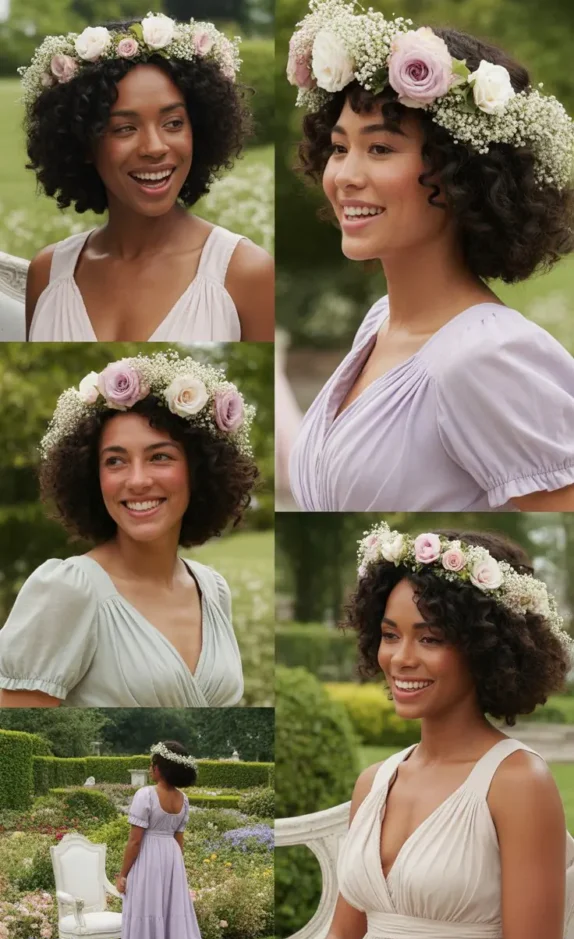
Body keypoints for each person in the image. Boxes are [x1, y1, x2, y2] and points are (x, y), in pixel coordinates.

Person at [287, 0, 574, 512]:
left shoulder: (487, 358)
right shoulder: (381, 324)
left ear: (461, 173)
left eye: (380, 149)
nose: (346, 176)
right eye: (338, 148)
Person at [286, 522, 574, 939]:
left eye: (431, 637)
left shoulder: (517, 783)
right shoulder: (374, 782)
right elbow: (342, 936)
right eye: (390, 635)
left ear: (485, 647)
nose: (401, 658)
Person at [0, 352, 257, 707]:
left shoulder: (213, 590)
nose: (137, 480)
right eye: (115, 461)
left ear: (199, 469)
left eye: (159, 456)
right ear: (93, 477)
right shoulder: (67, 590)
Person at [21, 13, 274, 342]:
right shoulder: (46, 274)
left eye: (173, 124)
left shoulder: (247, 273)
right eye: (125, 128)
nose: (155, 148)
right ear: (83, 141)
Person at [118, 740, 225, 939]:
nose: (150, 768)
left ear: (159, 769)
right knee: (177, 924)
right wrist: (177, 870)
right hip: (172, 860)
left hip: (148, 860)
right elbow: (179, 841)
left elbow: (134, 841)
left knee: (146, 916)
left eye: (152, 764)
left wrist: (123, 875)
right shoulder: (183, 799)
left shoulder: (145, 795)